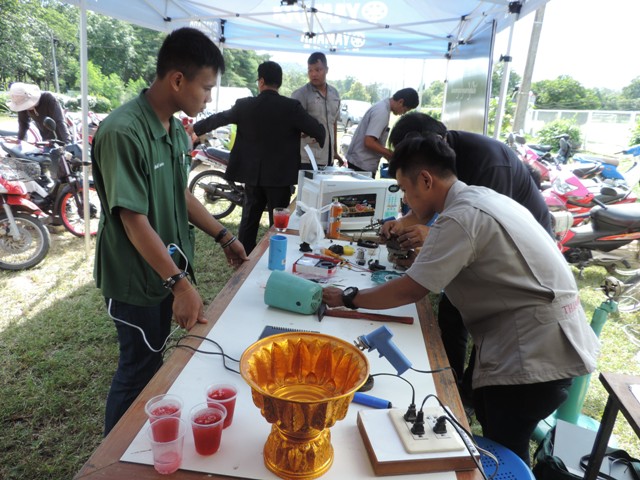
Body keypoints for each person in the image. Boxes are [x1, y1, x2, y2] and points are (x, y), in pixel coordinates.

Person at [323, 135, 599, 464]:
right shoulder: (482, 198)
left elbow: (411, 290)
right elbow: (479, 267)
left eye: (406, 190)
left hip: (533, 354)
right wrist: (422, 264)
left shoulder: (459, 217)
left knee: (505, 452)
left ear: (426, 180)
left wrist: (349, 297)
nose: (407, 202)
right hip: (553, 341)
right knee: (498, 431)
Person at [91, 27, 248, 436]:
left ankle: (144, 438)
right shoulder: (123, 131)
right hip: (137, 278)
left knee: (154, 363)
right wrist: (179, 284)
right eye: (206, 88)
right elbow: (133, 219)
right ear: (178, 80)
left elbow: (180, 193)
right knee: (138, 368)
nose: (209, 98)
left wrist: (224, 236)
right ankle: (114, 454)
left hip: (165, 270)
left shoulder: (175, 131)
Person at [382, 112, 554, 395]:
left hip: (522, 256)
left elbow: (485, 231)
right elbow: (434, 208)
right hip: (485, 242)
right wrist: (402, 225)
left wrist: (433, 238)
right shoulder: (441, 166)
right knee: (452, 307)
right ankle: (450, 380)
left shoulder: (488, 163)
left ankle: (469, 389)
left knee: (483, 315)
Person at [191, 61, 326, 254]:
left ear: (261, 81)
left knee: (249, 220)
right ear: (279, 83)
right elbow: (318, 130)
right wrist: (310, 134)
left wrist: (195, 128)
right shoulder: (291, 107)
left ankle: (244, 257)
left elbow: (219, 118)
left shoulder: (245, 105)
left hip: (252, 175)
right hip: (280, 179)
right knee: (278, 224)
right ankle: (276, 255)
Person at [345, 88, 419, 174]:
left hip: (362, 162)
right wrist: (391, 154)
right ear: (400, 102)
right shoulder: (382, 112)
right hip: (361, 165)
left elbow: (375, 141)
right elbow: (369, 142)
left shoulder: (383, 108)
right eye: (405, 110)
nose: (403, 113)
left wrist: (386, 155)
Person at [291, 52, 342, 169]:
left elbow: (333, 123)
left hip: (328, 158)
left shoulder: (334, 93)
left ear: (326, 70)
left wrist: (334, 151)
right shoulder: (300, 94)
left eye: (318, 70)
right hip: (307, 158)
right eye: (310, 70)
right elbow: (292, 125)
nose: (313, 74)